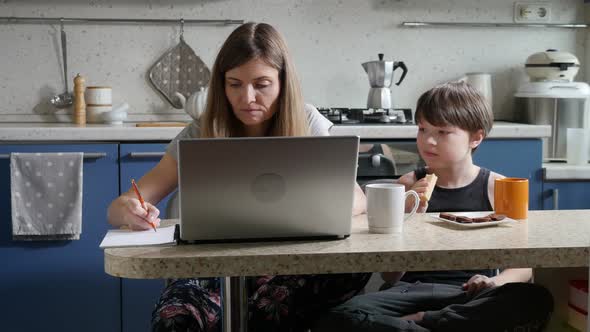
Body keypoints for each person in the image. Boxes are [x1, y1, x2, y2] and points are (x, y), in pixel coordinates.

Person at [107, 22, 371, 332]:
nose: (247, 97)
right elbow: (120, 206)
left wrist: (319, 206)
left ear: (283, 82)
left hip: (287, 266)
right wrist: (130, 209)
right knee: (176, 319)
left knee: (351, 270)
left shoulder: (307, 120)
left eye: (261, 84)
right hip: (206, 269)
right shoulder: (201, 131)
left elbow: (355, 199)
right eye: (234, 84)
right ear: (221, 84)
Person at [312, 82, 553, 332]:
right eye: (422, 129)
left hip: (471, 293)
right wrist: (406, 215)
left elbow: (525, 264)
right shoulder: (407, 185)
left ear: (476, 137)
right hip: (410, 290)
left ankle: (425, 321)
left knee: (534, 299)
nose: (428, 141)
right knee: (341, 316)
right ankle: (439, 323)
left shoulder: (498, 186)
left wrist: (494, 281)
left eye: (442, 132)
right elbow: (390, 276)